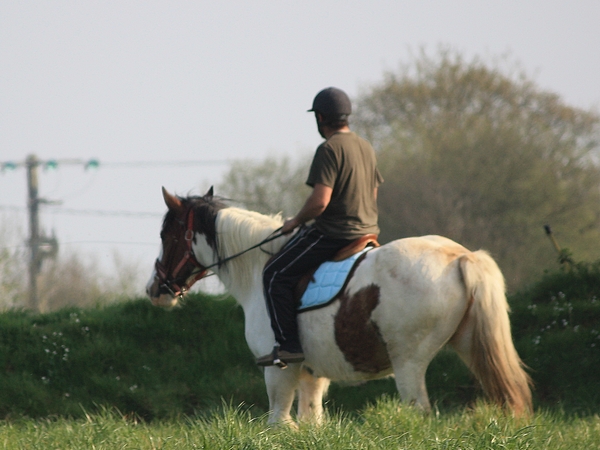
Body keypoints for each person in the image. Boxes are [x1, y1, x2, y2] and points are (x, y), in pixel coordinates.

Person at [257, 87, 383, 367]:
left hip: (335, 234)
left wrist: (295, 222)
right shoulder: (366, 147)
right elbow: (373, 195)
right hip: (369, 231)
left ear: (321, 118)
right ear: (346, 116)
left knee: (275, 273)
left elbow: (320, 202)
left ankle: (288, 346)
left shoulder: (328, 149)